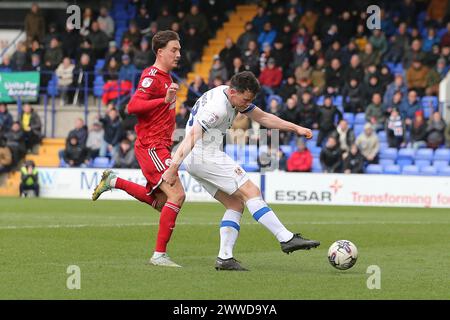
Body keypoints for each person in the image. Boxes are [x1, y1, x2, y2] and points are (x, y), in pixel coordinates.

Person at [162, 71, 320, 271]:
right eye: (245, 100)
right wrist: (172, 167)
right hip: (204, 154)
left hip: (198, 158)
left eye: (250, 101)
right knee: (252, 192)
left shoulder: (230, 96)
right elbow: (192, 136)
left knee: (235, 204)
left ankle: (225, 258)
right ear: (233, 92)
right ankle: (285, 238)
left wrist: (296, 128)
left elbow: (262, 116)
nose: (247, 104)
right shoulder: (218, 108)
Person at [91, 30, 185, 268]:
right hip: (152, 145)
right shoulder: (152, 76)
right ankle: (159, 255)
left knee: (164, 203)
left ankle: (115, 181)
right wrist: (162, 100)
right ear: (160, 52)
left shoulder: (167, 78)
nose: (178, 54)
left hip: (161, 145)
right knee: (177, 195)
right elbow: (132, 106)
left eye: (179, 49)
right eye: (174, 49)